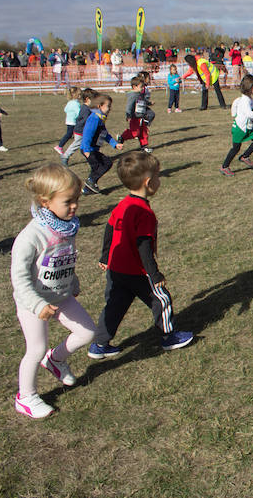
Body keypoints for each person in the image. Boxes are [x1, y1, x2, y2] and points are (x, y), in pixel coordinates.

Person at [10, 164, 96, 418]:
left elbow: (64, 258)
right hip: (33, 303)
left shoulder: (66, 227)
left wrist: (73, 283)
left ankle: (56, 360)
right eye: (69, 201)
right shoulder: (30, 237)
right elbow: (20, 279)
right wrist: (37, 305)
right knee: (35, 349)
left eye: (77, 200)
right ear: (45, 202)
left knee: (87, 332)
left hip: (61, 295)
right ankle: (25, 397)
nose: (75, 206)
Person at [89, 151, 193, 359]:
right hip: (136, 270)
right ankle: (169, 336)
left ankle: (99, 345)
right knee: (161, 299)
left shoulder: (122, 205)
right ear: (148, 182)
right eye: (157, 176)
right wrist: (154, 274)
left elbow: (109, 229)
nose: (159, 180)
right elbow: (143, 245)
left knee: (114, 306)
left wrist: (104, 256)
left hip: (116, 268)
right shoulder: (143, 212)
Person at [80, 93, 123, 194]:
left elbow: (104, 134)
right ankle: (90, 182)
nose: (110, 108)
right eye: (108, 106)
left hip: (93, 149)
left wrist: (114, 144)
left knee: (98, 167)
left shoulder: (100, 118)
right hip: (88, 150)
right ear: (100, 106)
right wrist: (86, 150)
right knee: (105, 164)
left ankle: (87, 189)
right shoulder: (94, 118)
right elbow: (87, 134)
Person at [220, 74, 253, 176]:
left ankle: (244, 156)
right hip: (240, 128)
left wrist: (234, 113)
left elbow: (235, 103)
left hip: (247, 127)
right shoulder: (245, 100)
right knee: (235, 148)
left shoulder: (247, 98)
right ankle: (224, 167)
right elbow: (249, 114)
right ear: (249, 88)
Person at [118, 76, 154, 153]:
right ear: (134, 87)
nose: (142, 89)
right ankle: (122, 137)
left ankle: (144, 146)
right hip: (135, 118)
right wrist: (128, 115)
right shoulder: (133, 96)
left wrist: (149, 103)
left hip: (142, 117)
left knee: (143, 132)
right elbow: (129, 106)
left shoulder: (140, 94)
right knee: (135, 133)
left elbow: (144, 101)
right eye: (141, 87)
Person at [55, 87, 82, 156]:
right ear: (76, 95)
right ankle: (60, 146)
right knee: (69, 134)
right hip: (73, 122)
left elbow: (65, 109)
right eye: (79, 95)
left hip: (68, 121)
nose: (80, 96)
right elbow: (79, 113)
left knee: (71, 134)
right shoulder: (76, 104)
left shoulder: (70, 102)